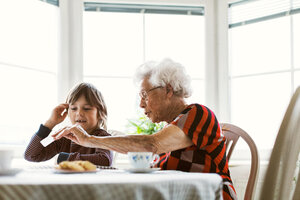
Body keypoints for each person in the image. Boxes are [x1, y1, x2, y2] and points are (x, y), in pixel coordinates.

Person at [53, 59, 237, 200]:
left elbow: (152, 144)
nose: (141, 104)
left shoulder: (198, 114)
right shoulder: (171, 127)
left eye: (144, 95)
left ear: (168, 90)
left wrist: (89, 140)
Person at [24, 82, 113, 166]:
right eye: (74, 108)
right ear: (68, 112)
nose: (79, 113)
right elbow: (31, 155)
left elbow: (104, 160)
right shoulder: (65, 138)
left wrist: (65, 158)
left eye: (86, 108)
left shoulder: (103, 137)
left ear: (100, 113)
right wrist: (50, 123)